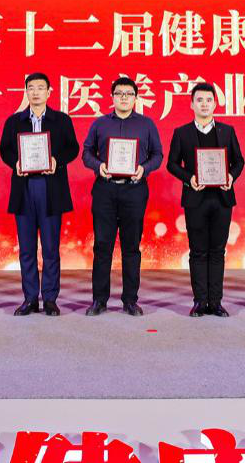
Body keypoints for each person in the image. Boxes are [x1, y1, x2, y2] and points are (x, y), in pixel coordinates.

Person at [0, 73, 79, 316]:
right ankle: (30, 298)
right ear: (26, 92)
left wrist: (56, 160)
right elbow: (4, 149)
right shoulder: (14, 121)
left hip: (50, 188)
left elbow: (73, 148)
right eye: (31, 88)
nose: (35, 92)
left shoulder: (61, 120)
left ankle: (50, 299)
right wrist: (15, 163)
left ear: (49, 92)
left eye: (40, 88)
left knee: (51, 248)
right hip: (24, 188)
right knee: (26, 249)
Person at [82, 76, 163, 316]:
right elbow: (86, 153)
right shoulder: (99, 124)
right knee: (102, 246)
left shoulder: (147, 124)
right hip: (105, 189)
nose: (124, 97)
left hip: (134, 190)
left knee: (131, 247)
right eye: (119, 93)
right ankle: (99, 300)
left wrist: (144, 169)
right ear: (112, 97)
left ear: (136, 97)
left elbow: (158, 155)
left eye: (129, 93)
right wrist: (98, 166)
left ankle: (130, 300)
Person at [166, 82, 244, 317]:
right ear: (192, 104)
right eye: (199, 100)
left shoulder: (227, 131)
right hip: (195, 198)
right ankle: (200, 301)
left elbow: (239, 161)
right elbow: (171, 164)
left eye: (209, 100)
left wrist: (231, 176)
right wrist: (189, 178)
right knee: (198, 251)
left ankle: (216, 302)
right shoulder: (182, 133)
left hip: (222, 199)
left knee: (218, 251)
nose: (204, 104)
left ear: (215, 104)